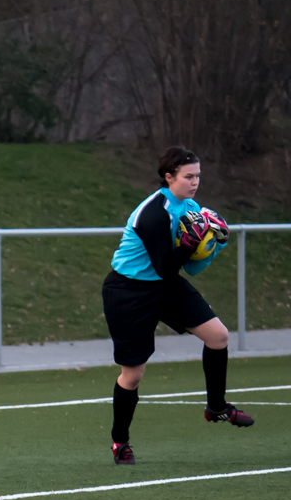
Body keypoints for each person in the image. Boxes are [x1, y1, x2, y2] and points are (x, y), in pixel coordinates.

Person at [101, 146, 254, 465]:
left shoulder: (191, 208)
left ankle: (216, 408)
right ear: (168, 177)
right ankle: (120, 442)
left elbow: (191, 268)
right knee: (132, 375)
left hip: (164, 285)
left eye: (198, 176)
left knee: (219, 336)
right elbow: (165, 266)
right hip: (129, 292)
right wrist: (189, 242)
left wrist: (214, 245)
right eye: (188, 176)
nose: (195, 182)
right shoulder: (153, 213)